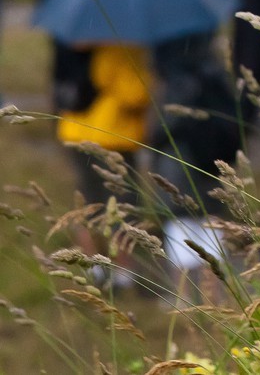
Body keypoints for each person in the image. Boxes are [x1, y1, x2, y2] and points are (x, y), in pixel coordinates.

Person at [147, 32, 242, 304]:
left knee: (179, 227)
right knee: (210, 225)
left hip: (178, 164)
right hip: (211, 162)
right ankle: (215, 297)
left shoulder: (173, 82)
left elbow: (161, 132)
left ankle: (182, 298)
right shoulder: (216, 75)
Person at [53, 37, 153, 288]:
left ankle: (92, 265)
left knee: (88, 202)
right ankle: (123, 272)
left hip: (75, 130)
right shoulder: (121, 45)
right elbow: (134, 94)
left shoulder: (72, 42)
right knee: (121, 205)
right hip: (111, 135)